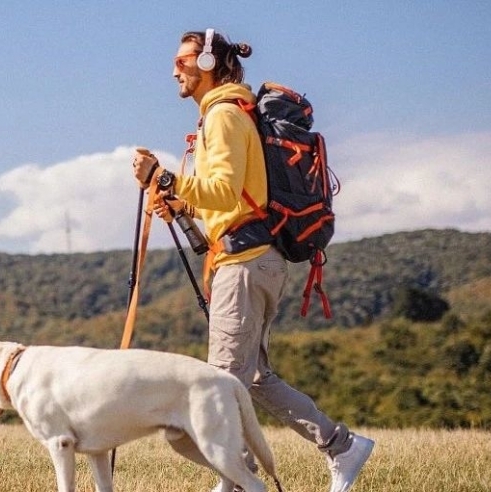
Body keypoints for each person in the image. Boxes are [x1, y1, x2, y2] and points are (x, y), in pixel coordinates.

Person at [131, 29, 374, 492]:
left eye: (182, 61)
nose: (174, 70)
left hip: (245, 263)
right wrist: (181, 204)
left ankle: (238, 481)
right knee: (255, 377)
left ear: (207, 63)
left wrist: (164, 177)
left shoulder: (223, 115)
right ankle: (342, 447)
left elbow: (223, 190)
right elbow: (232, 200)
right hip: (254, 258)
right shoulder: (226, 113)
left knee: (221, 381)